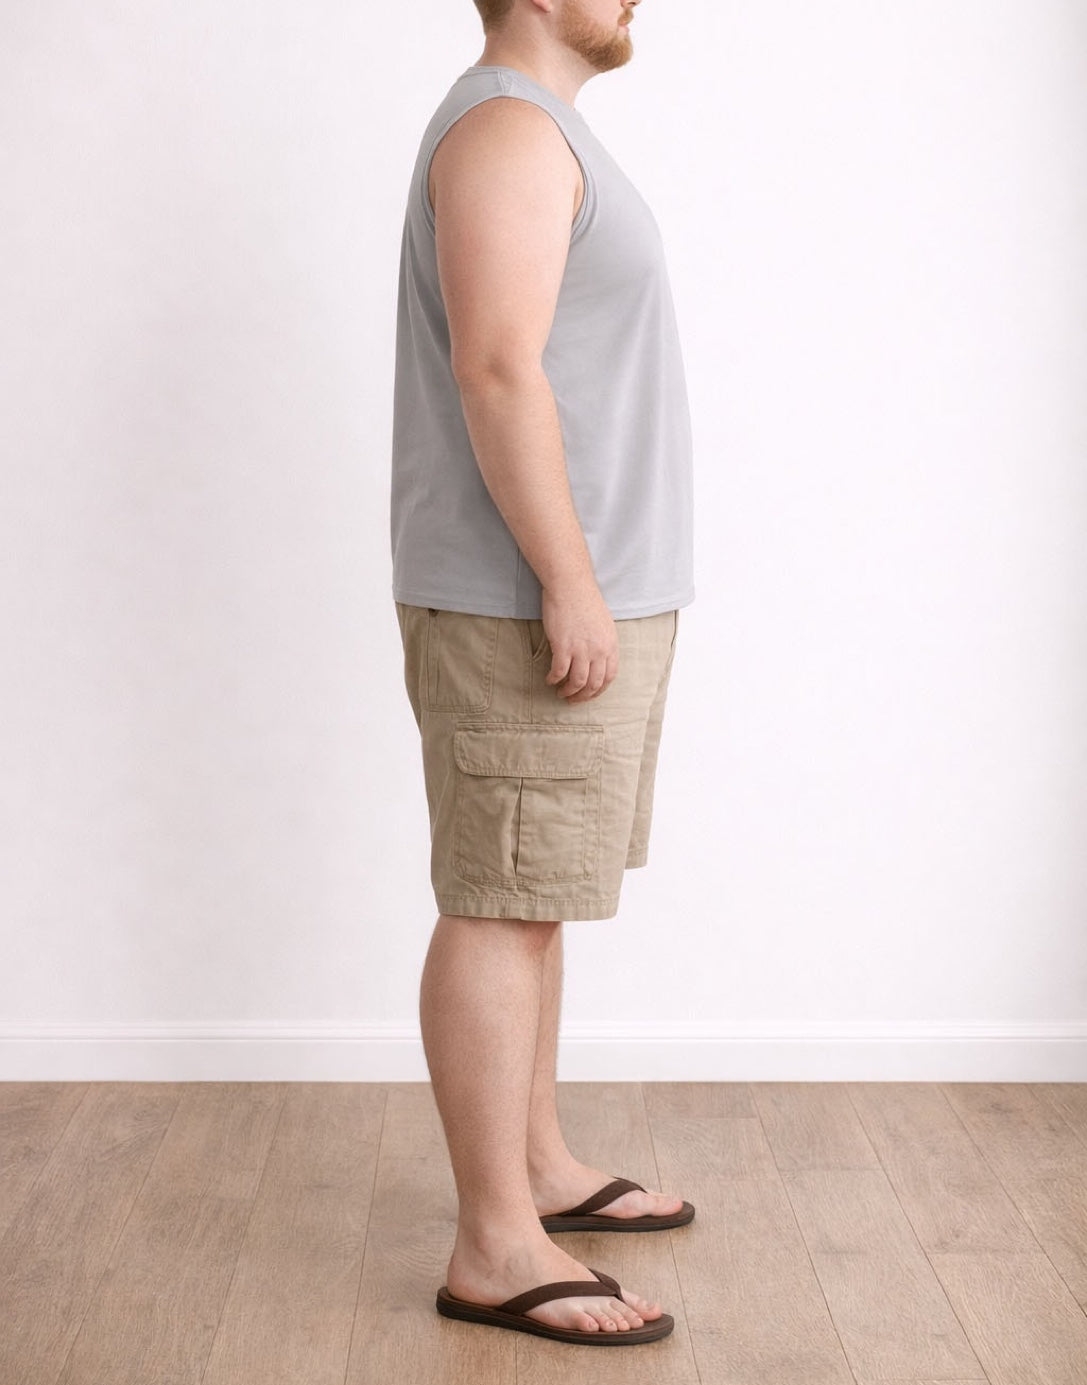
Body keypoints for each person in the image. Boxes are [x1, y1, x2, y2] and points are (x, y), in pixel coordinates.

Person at [389, 0, 696, 1347]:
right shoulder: (509, 128)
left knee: (537, 891)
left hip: (581, 589)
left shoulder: (542, 126)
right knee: (501, 898)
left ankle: (543, 1167)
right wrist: (568, 580)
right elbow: (499, 367)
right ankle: (493, 1240)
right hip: (530, 596)